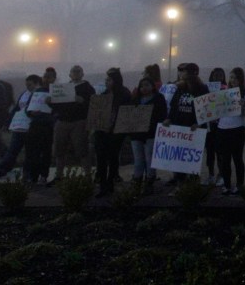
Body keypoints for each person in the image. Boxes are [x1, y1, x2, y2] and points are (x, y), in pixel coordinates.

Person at [165, 63, 209, 184]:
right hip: (180, 127)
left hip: (194, 128)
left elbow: (206, 109)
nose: (181, 74)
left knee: (191, 159)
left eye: (184, 71)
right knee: (179, 158)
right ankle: (180, 182)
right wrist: (169, 119)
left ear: (192, 73)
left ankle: (193, 185)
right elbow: (174, 105)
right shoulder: (180, 88)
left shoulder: (202, 89)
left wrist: (199, 123)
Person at [52, 65, 96, 182]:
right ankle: (58, 175)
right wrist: (49, 102)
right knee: (59, 149)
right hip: (63, 120)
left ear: (82, 74)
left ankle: (87, 175)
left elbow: (94, 105)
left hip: (79, 121)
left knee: (82, 149)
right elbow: (57, 106)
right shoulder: (64, 88)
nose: (76, 73)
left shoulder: (88, 88)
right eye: (74, 71)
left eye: (78, 71)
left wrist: (83, 101)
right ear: (70, 74)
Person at [94, 68, 132, 197]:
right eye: (106, 80)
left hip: (116, 132)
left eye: (109, 80)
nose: (106, 82)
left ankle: (110, 182)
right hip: (102, 131)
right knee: (101, 158)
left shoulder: (124, 94)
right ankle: (103, 184)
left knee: (113, 156)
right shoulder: (104, 94)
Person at [129, 76, 168, 189]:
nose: (144, 88)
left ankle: (150, 180)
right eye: (142, 86)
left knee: (149, 159)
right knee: (138, 159)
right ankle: (137, 179)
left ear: (152, 86)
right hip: (136, 134)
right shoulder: (135, 99)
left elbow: (162, 114)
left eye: (147, 85)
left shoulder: (159, 98)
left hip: (151, 133)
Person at [0, 74, 38, 177]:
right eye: (26, 85)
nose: (28, 87)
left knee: (30, 152)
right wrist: (8, 122)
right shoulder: (24, 94)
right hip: (20, 125)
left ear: (36, 84)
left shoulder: (38, 95)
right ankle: (3, 169)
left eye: (30, 85)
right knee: (13, 149)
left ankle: (27, 173)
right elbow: (16, 108)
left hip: (31, 127)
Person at [216, 68, 245, 194]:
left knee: (237, 159)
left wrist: (243, 106)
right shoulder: (224, 92)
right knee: (225, 160)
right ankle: (227, 184)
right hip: (222, 128)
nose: (232, 80)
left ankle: (239, 185)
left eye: (235, 77)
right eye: (231, 77)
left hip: (237, 129)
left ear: (240, 79)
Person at [23, 74, 53, 185]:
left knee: (46, 152)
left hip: (48, 125)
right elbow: (28, 107)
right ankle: (33, 176)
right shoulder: (37, 92)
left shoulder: (57, 91)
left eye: (50, 77)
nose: (47, 79)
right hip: (35, 124)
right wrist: (30, 112)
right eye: (45, 77)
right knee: (32, 152)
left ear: (54, 79)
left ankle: (44, 175)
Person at [204, 67, 226, 187]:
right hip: (209, 125)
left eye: (220, 75)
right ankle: (211, 175)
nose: (218, 78)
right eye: (216, 75)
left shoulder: (227, 89)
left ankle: (221, 175)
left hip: (221, 125)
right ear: (212, 77)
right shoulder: (206, 89)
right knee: (210, 152)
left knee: (220, 152)